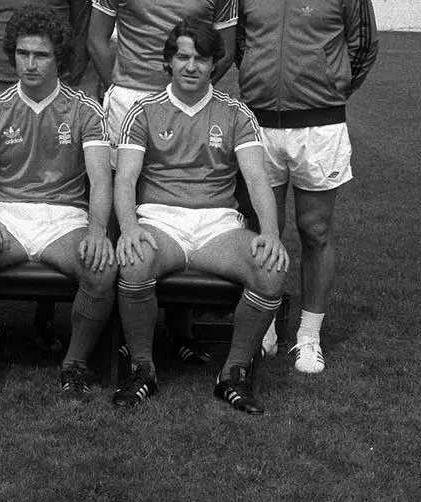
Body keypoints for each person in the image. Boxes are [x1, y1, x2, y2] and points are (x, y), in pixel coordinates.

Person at [88, 0, 238, 363]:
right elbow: (96, 39)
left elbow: (226, 49)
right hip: (129, 99)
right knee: (119, 207)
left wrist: (187, 96)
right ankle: (115, 321)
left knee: (177, 202)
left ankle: (181, 327)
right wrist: (125, 87)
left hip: (190, 105)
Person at [235, 0, 378, 374]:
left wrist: (331, 89)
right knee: (259, 230)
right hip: (257, 129)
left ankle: (309, 334)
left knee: (314, 231)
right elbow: (235, 48)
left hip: (319, 127)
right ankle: (267, 322)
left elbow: (363, 48)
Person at [111, 20, 289, 414]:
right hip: (161, 222)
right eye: (183, 57)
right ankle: (142, 367)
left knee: (271, 270)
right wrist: (129, 229)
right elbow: (124, 179)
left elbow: (258, 178)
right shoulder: (143, 111)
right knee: (134, 260)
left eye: (201, 59)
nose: (191, 66)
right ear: (169, 62)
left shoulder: (235, 113)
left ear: (213, 65)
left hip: (217, 226)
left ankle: (233, 373)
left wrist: (271, 234)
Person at [0, 6, 116, 410]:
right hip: (9, 216)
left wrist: (96, 231)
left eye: (40, 55)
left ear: (59, 58)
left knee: (102, 265)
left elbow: (101, 181)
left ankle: (74, 366)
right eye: (23, 54)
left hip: (64, 219)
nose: (30, 64)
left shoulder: (84, 108)